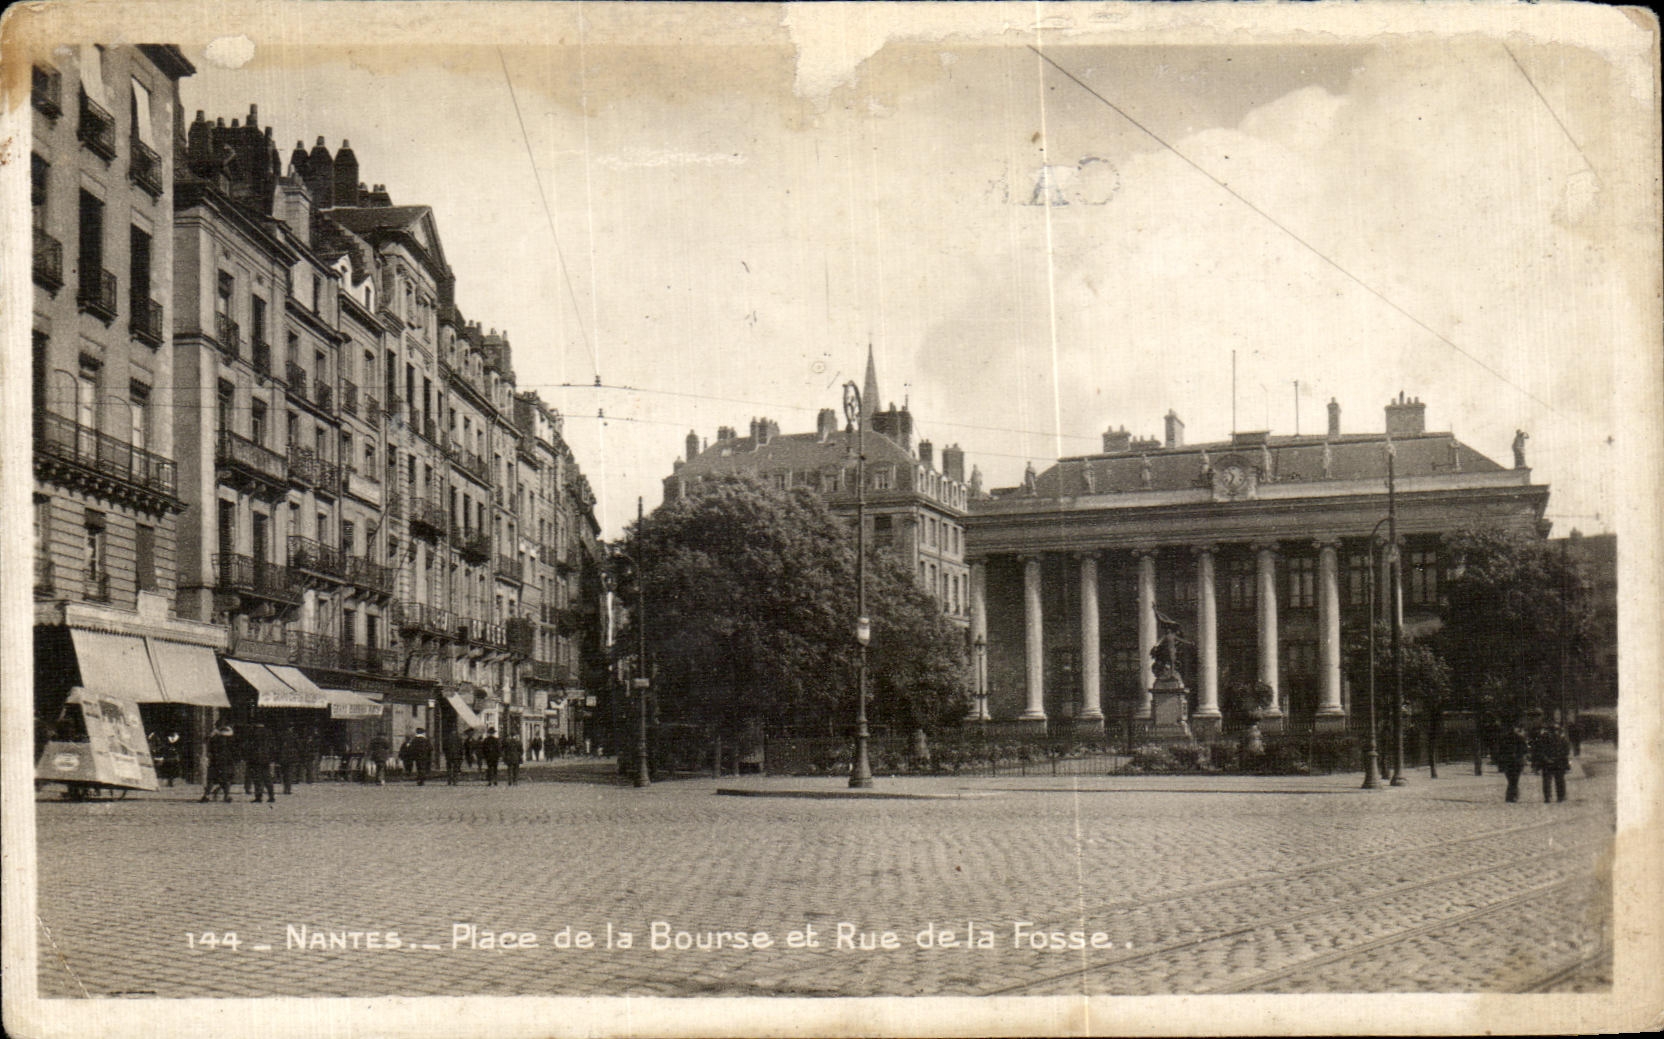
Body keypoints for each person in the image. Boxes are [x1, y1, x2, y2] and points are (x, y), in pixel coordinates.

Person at [1532, 723, 1572, 803]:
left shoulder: (1543, 739)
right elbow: (1566, 751)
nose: (1555, 732)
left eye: (1556, 730)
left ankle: (1549, 797)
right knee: (1558, 780)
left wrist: (1546, 759)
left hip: (1549, 762)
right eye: (1554, 730)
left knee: (1549, 780)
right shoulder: (1561, 739)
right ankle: (1560, 797)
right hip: (1558, 762)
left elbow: (1539, 751)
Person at [1494, 722, 1531, 803]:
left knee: (1511, 779)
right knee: (1514, 780)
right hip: (1516, 761)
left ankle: (1511, 796)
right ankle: (1513, 796)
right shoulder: (1520, 738)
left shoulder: (1504, 738)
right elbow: (1525, 750)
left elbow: (1500, 751)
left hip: (1509, 761)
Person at [201, 724, 237, 803]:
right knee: (227, 780)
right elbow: (235, 752)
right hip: (227, 762)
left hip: (215, 762)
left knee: (211, 779)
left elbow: (206, 742)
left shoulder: (215, 739)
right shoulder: (231, 740)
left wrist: (211, 735)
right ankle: (226, 796)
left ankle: (206, 795)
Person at [244, 723, 277, 804]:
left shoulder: (253, 733)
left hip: (255, 758)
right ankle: (271, 796)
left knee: (257, 778)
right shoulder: (269, 733)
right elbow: (272, 747)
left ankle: (258, 796)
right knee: (267, 777)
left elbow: (249, 746)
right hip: (266, 758)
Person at [278, 726, 301, 795]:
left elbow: (278, 746)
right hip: (291, 756)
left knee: (284, 773)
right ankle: (288, 789)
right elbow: (298, 745)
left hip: (283, 756)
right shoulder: (294, 735)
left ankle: (285, 788)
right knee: (289, 773)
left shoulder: (281, 735)